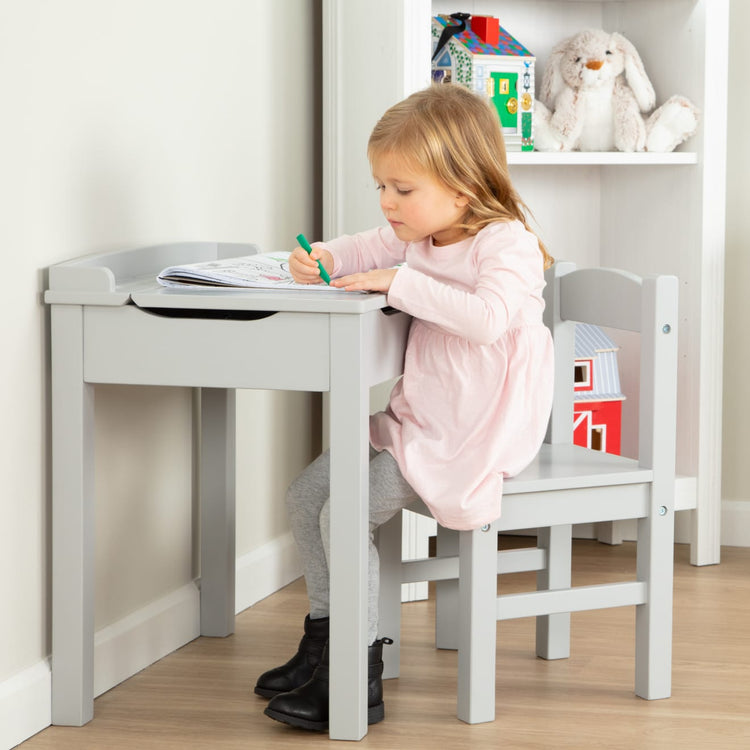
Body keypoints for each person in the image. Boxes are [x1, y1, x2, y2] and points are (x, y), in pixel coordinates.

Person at [256, 83, 555, 732]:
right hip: (420, 421)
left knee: (346, 511)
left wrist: (400, 281)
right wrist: (321, 259)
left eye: (402, 189)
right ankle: (323, 641)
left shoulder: (504, 245)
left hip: (472, 434)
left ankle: (355, 677)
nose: (388, 204)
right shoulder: (419, 231)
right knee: (309, 495)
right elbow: (357, 250)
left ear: (462, 186)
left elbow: (486, 320)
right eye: (380, 188)